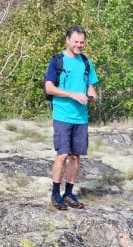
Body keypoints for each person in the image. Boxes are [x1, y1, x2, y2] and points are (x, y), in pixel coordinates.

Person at [44, 25, 99, 211]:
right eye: (75, 41)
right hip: (62, 115)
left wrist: (91, 95)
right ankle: (55, 194)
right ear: (67, 40)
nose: (79, 45)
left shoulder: (86, 62)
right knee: (63, 155)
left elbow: (90, 86)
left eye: (82, 42)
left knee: (76, 157)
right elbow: (49, 88)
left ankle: (68, 193)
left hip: (81, 118)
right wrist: (72, 94)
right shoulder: (57, 60)